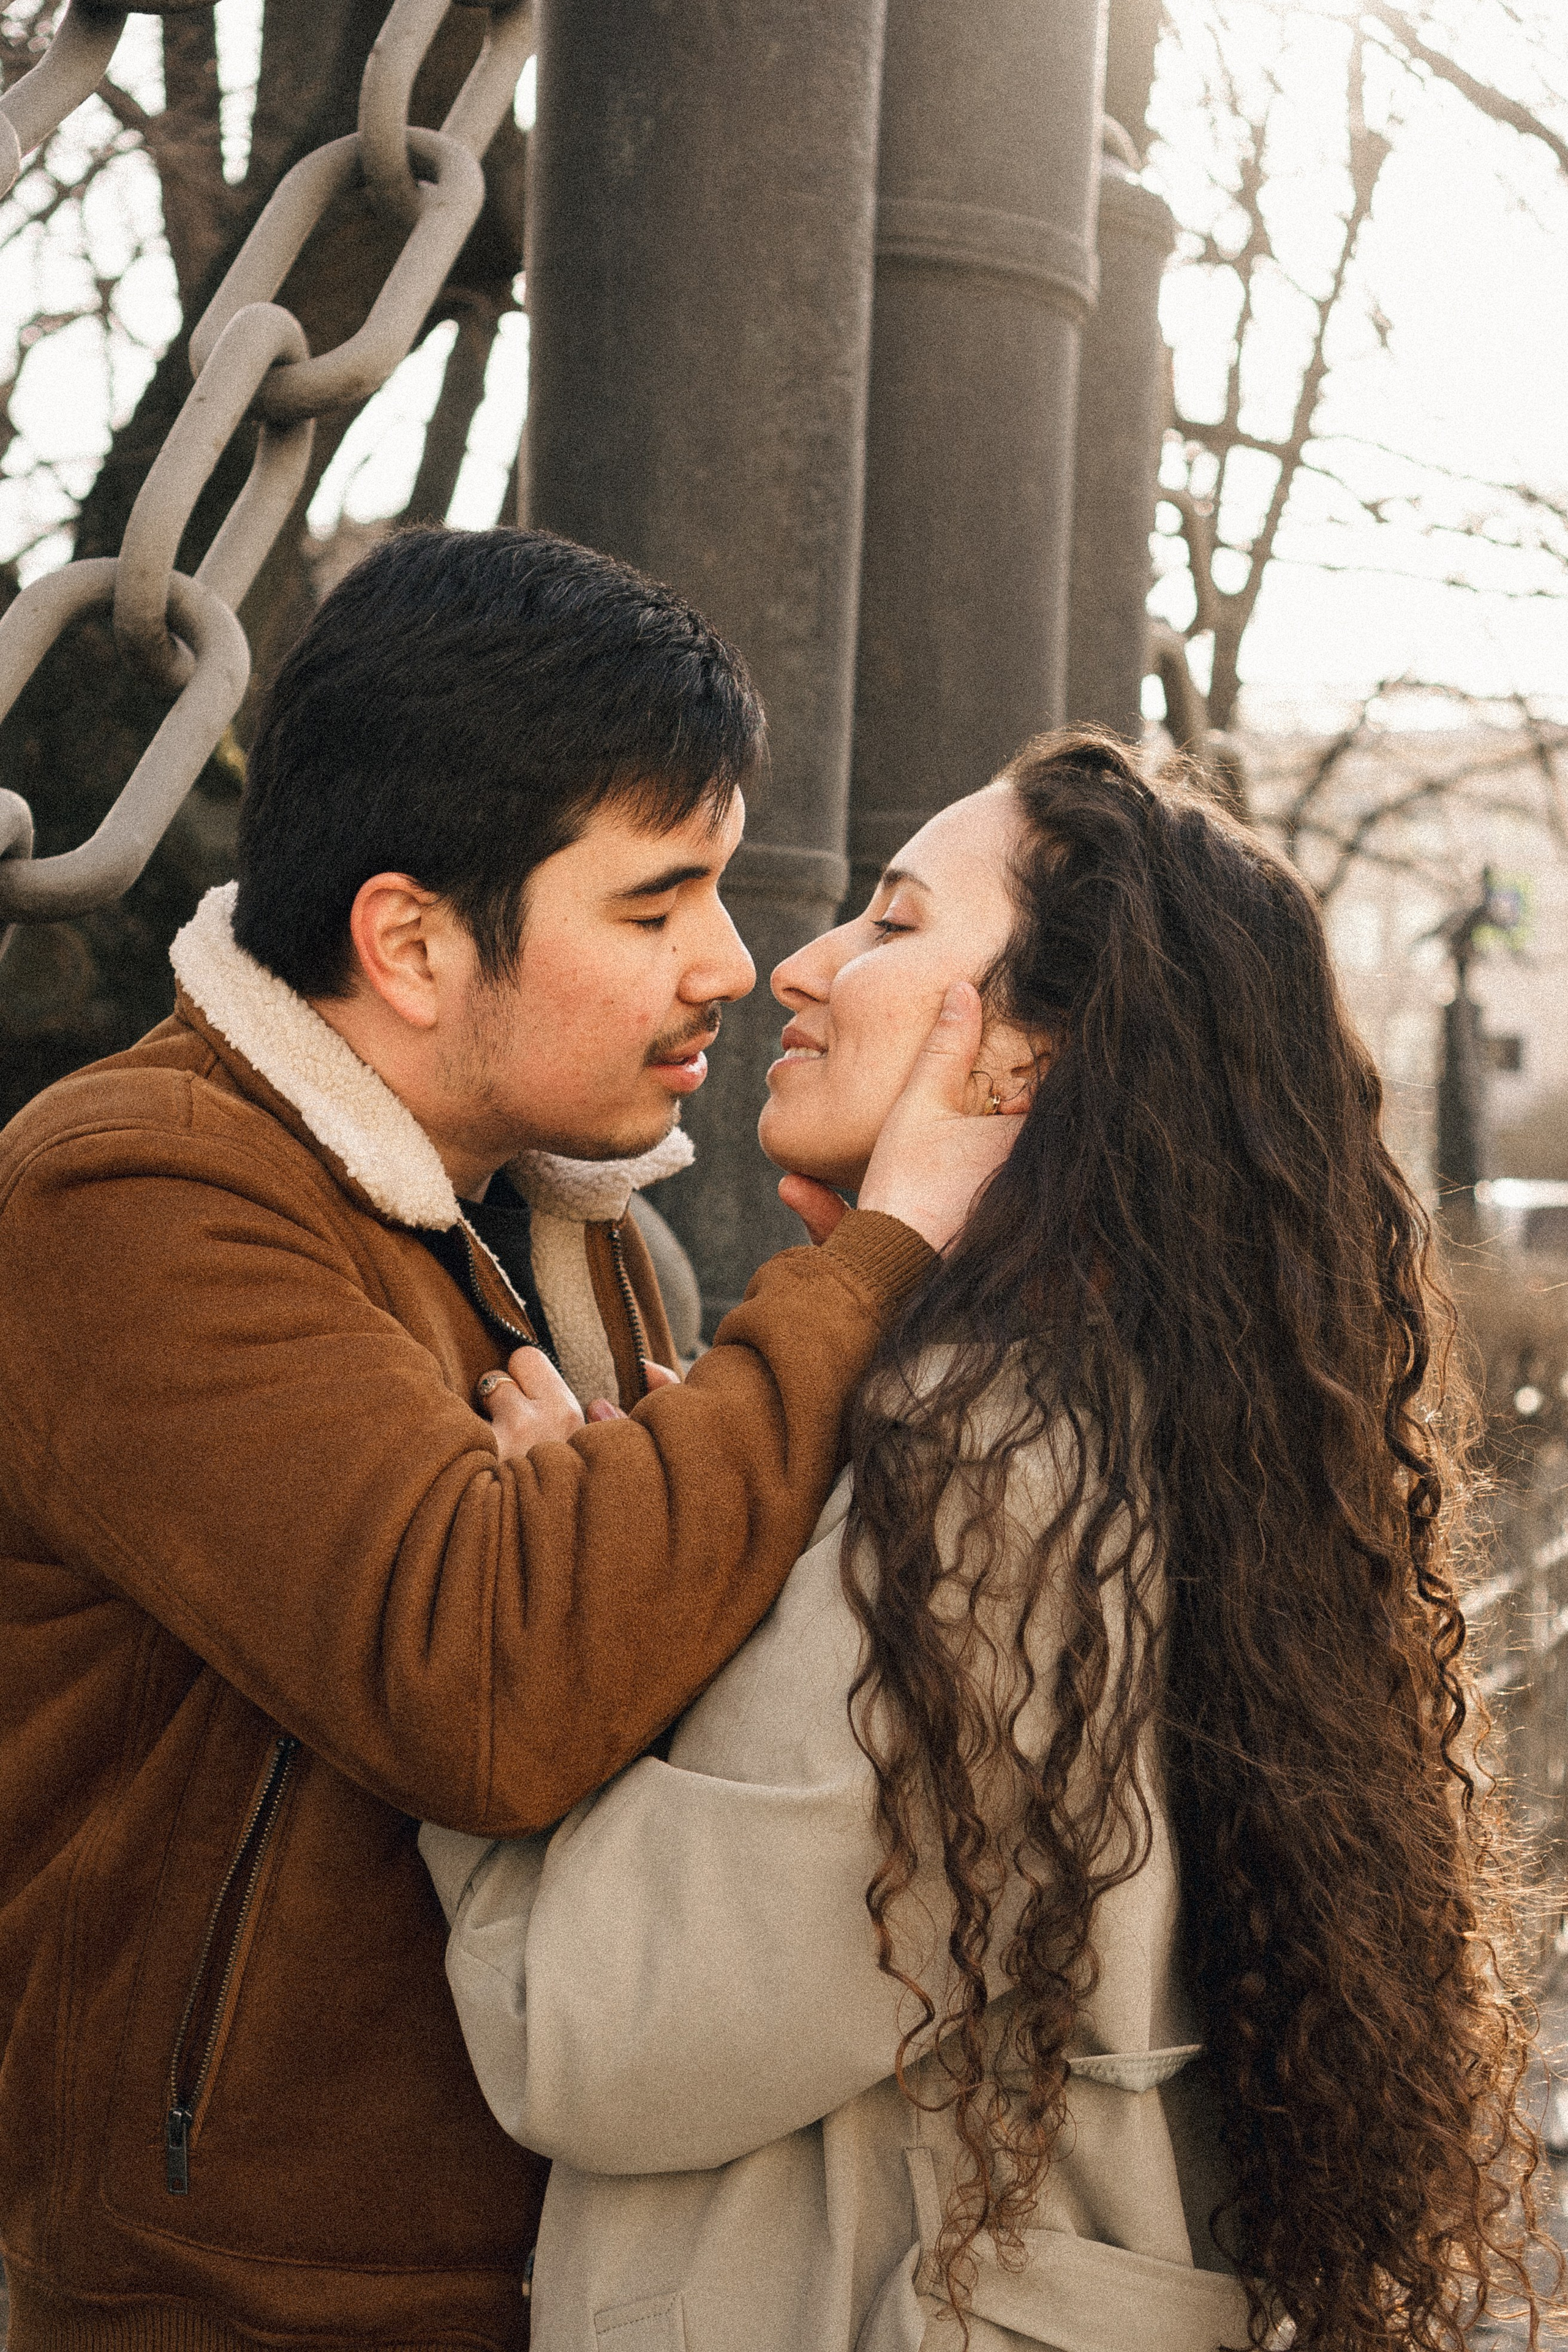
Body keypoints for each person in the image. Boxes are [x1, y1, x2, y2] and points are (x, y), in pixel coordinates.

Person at [0, 527, 1017, 2352]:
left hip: (571, 2273)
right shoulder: (131, 1190)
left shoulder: (587, 1239)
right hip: (239, 2309)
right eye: (653, 904)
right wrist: (888, 1254)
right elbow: (489, 1681)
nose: (729, 961)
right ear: (406, 940)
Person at [424, 729, 1547, 2352]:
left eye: (889, 924)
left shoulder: (989, 1465)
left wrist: (540, 1596)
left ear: (1023, 1056)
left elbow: (598, 2036)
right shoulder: (1129, 1409)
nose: (795, 964)